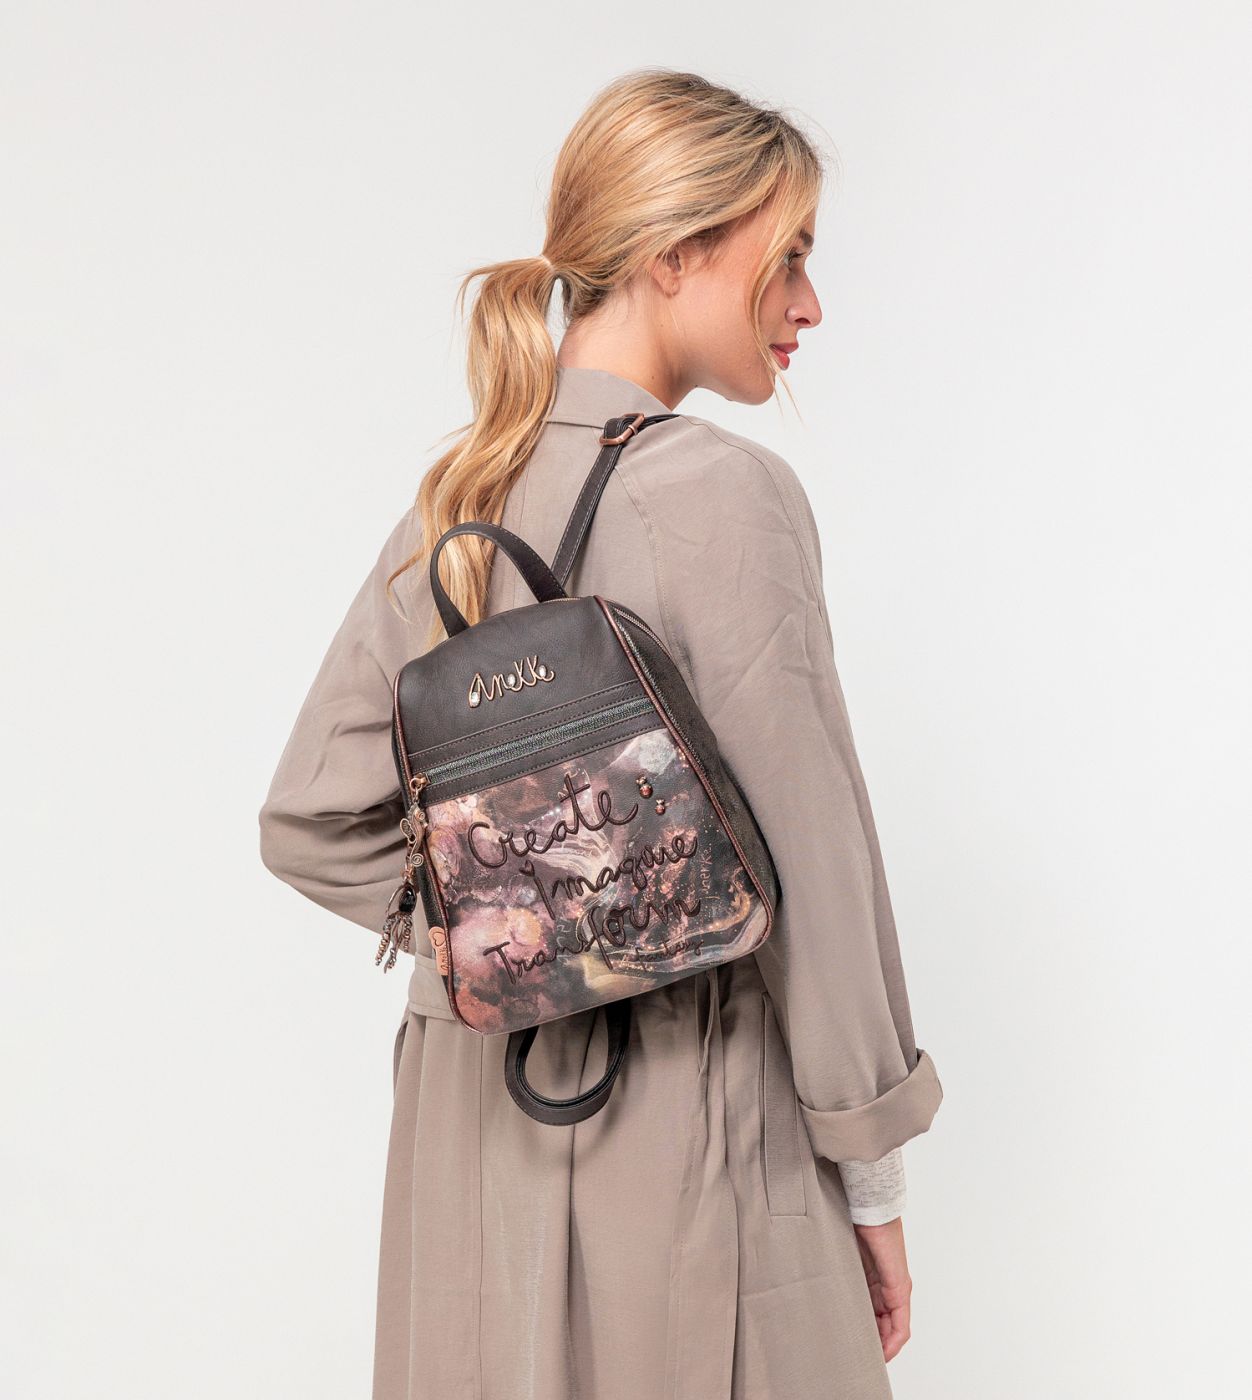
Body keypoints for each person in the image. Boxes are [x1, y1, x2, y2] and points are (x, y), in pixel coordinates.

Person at [258, 68, 943, 1400]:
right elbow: (815, 861)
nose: (809, 305)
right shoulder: (724, 494)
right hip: (686, 1110)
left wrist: (516, 923)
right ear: (674, 253)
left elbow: (312, 819)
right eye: (789, 256)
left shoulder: (463, 491)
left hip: (477, 1124)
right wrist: (871, 1171)